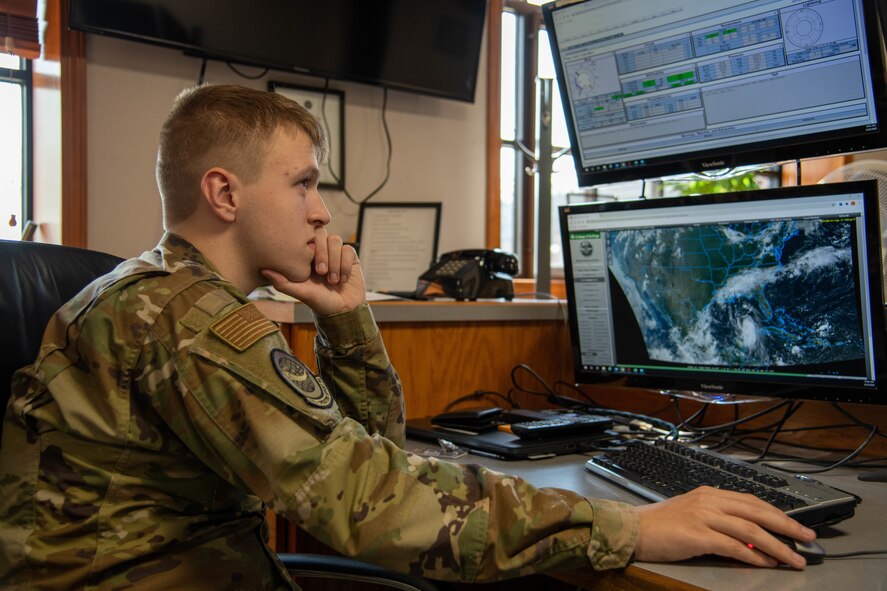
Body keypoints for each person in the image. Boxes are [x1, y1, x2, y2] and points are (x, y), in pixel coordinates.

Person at [0, 84, 816, 590]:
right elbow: (373, 504)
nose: (321, 210)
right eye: (302, 183)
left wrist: (345, 318)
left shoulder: (169, 296)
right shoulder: (191, 323)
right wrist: (631, 526)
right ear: (224, 193)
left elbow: (365, 455)